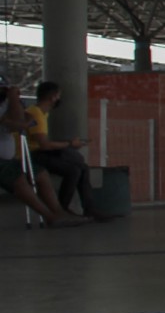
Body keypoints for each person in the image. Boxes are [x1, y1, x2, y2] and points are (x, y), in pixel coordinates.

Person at [27, 81, 106, 220]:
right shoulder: (36, 114)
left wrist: (69, 144)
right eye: (58, 95)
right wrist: (69, 144)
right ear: (52, 97)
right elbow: (44, 145)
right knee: (73, 170)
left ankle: (89, 209)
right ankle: (62, 209)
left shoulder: (42, 114)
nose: (59, 99)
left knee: (82, 167)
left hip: (40, 152)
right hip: (33, 155)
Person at [3, 81, 68, 226]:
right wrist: (13, 99)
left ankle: (59, 212)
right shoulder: (33, 111)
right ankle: (51, 216)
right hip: (9, 159)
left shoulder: (6, 107)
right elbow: (20, 124)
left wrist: (14, 101)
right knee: (18, 179)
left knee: (41, 173)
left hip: (11, 157)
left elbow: (22, 120)